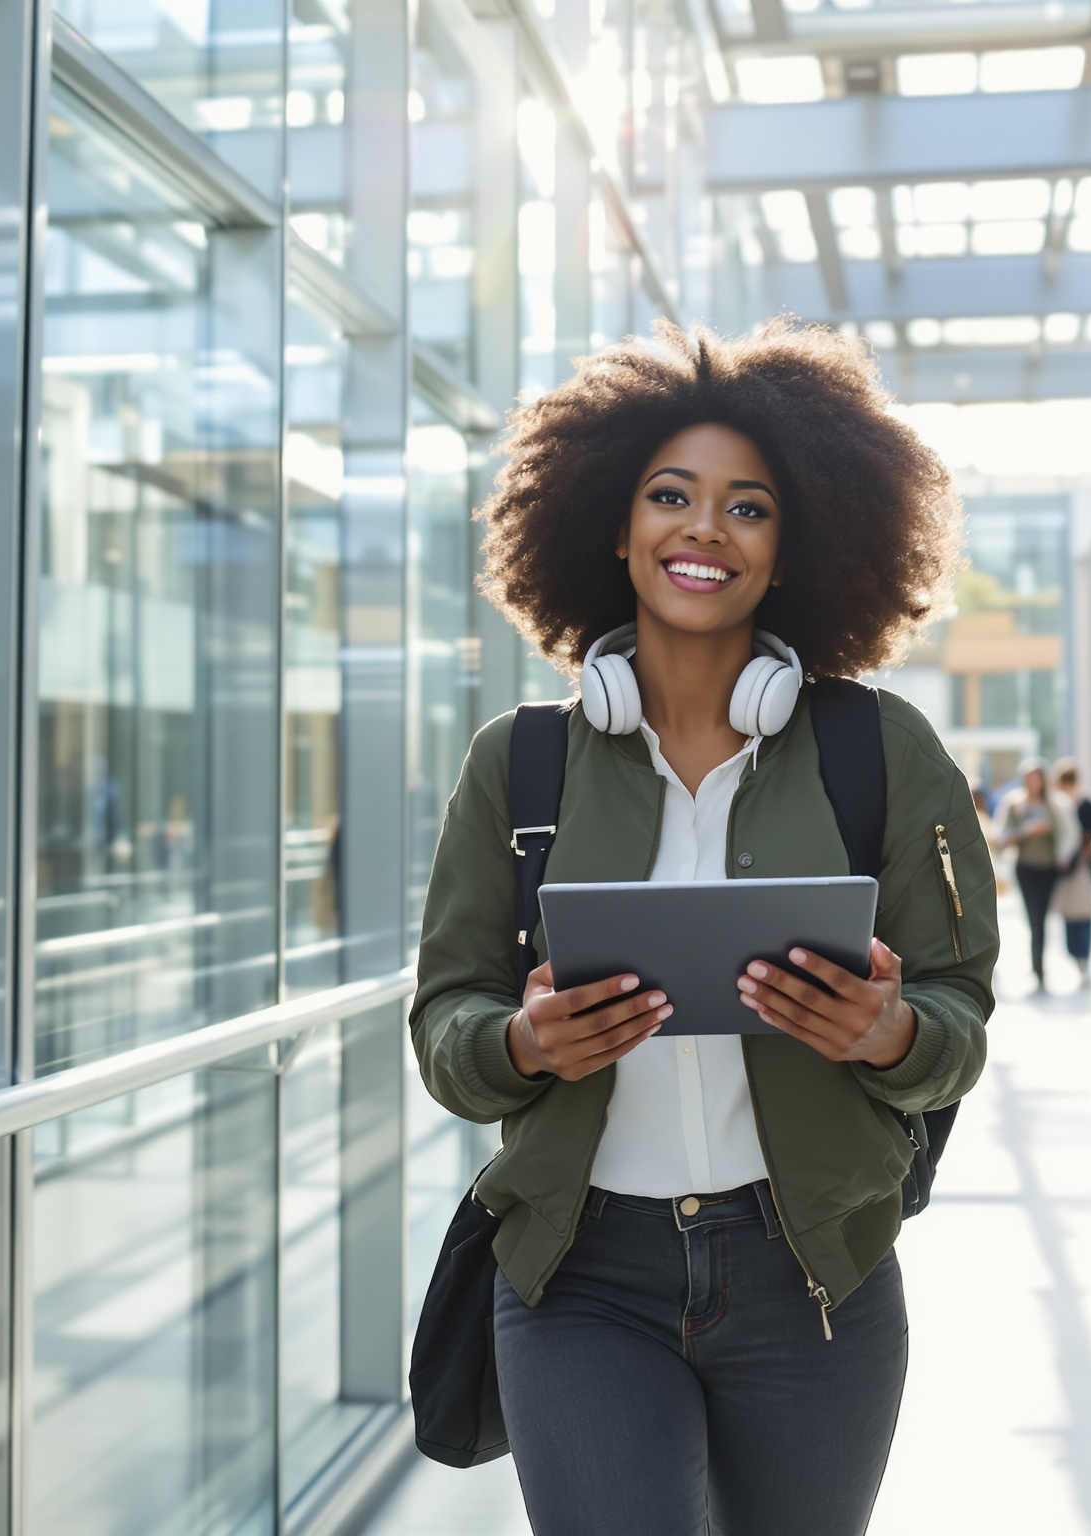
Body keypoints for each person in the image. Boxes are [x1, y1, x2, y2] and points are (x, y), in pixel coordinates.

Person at [410, 320, 1000, 1536]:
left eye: (749, 507)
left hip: (815, 1281)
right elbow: (445, 1022)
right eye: (669, 496)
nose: (704, 528)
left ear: (793, 549)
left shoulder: (877, 754)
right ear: (611, 528)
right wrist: (522, 1048)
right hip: (580, 1281)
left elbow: (958, 1016)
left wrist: (885, 1032)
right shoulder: (517, 766)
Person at [991, 757, 1071, 990]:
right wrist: (1025, 831)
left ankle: (1039, 965)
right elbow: (1001, 837)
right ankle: (1036, 965)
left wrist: (1062, 855)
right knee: (1033, 917)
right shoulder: (1014, 803)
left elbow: (1067, 833)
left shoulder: (1054, 804)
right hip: (1025, 867)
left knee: (1041, 918)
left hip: (1048, 868)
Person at [1051, 758, 1091, 979]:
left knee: (1083, 914)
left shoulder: (1087, 807)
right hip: (1066, 868)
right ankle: (1077, 957)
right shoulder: (1058, 806)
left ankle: (1083, 958)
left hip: (1082, 866)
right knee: (1071, 914)